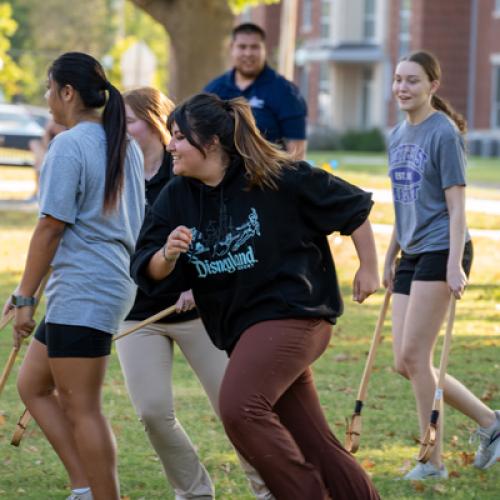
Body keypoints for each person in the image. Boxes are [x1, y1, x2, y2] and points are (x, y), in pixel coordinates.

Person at [130, 92, 380, 499]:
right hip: (245, 331)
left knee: (239, 408)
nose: (170, 145)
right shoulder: (178, 195)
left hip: (296, 315)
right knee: (314, 441)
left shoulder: (277, 177)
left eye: (178, 137)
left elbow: (354, 207)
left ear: (210, 143)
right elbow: (146, 267)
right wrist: (167, 254)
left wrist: (367, 267)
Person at [1, 52, 145, 500]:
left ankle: (104, 496)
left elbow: (50, 226)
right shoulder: (124, 142)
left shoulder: (69, 143)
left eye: (49, 88)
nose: (46, 99)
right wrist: (32, 292)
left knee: (82, 407)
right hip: (101, 285)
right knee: (32, 385)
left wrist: (26, 298)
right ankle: (84, 487)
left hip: (88, 288)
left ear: (68, 92)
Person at [119, 86, 271, 500]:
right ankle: (193, 491)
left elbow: (219, 227)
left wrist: (195, 282)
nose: (121, 129)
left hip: (198, 312)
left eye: (128, 120)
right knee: (152, 412)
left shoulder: (189, 170)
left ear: (153, 122)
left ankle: (269, 489)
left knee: (235, 411)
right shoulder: (117, 175)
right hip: (137, 310)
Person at [384, 50, 500, 480]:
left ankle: (431, 461)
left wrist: (455, 264)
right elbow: (402, 202)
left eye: (412, 80)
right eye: (398, 79)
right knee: (403, 361)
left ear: (433, 85)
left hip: (442, 249)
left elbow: (457, 205)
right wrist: (390, 253)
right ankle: (491, 423)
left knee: (416, 356)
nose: (402, 87)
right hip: (412, 251)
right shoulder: (396, 134)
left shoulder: (443, 134)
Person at [204, 22, 307, 160]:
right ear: (231, 49)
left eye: (255, 47)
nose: (248, 53)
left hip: (269, 175)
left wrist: (288, 179)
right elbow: (203, 136)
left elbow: (296, 149)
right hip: (224, 177)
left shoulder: (286, 91)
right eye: (242, 47)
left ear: (264, 50)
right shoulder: (214, 89)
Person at [29, 119, 66, 200]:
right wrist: (47, 132)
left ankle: (38, 192)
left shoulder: (65, 136)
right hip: (48, 158)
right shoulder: (50, 135)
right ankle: (39, 192)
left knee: (40, 163)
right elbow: (46, 146)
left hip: (56, 159)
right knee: (35, 145)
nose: (54, 126)